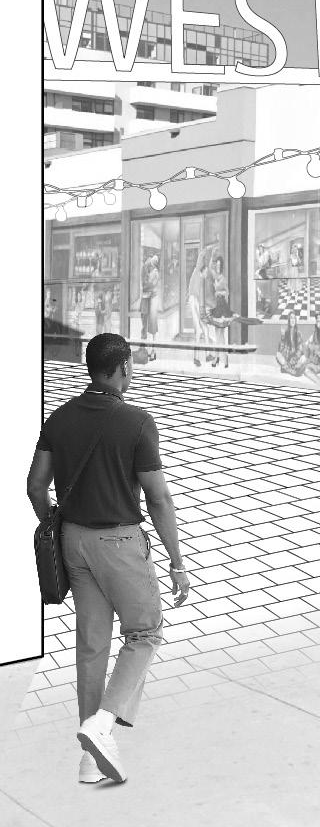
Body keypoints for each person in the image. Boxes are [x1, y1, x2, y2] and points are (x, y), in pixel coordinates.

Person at [25, 334, 191, 786]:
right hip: (119, 543)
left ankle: (89, 761)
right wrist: (177, 561)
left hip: (75, 542)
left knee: (92, 646)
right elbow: (158, 498)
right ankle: (102, 724)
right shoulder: (137, 422)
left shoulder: (59, 418)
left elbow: (36, 486)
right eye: (130, 367)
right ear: (122, 369)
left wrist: (54, 523)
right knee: (145, 632)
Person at [186, 245, 214, 368]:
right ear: (202, 270)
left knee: (205, 330)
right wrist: (208, 249)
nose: (206, 274)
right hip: (193, 301)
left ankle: (208, 355)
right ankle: (196, 358)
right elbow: (200, 257)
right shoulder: (197, 271)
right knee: (198, 330)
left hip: (196, 302)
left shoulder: (201, 281)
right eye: (206, 272)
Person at [207, 255, 232, 368]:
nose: (217, 267)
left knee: (220, 335)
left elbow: (227, 293)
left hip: (222, 306)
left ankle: (220, 358)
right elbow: (209, 267)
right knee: (218, 335)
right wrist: (212, 255)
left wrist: (220, 293)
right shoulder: (215, 275)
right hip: (216, 306)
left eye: (219, 265)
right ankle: (221, 358)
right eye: (216, 265)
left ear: (221, 267)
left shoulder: (223, 278)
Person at [275, 310, 306, 378]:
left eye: (294, 318)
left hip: (295, 359)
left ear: (295, 320)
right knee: (278, 355)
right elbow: (281, 349)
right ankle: (293, 371)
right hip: (288, 358)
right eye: (291, 318)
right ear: (289, 320)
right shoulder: (286, 333)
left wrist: (294, 359)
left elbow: (300, 349)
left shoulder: (298, 333)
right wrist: (282, 337)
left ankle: (286, 369)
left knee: (303, 358)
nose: (292, 320)